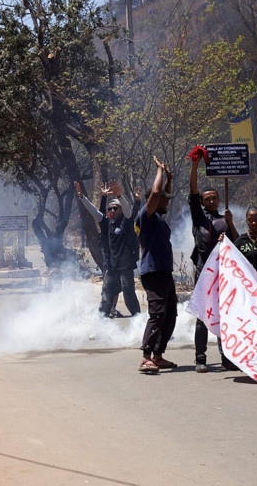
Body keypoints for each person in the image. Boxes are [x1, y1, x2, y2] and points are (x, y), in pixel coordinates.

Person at [189, 148, 239, 373]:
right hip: (204, 273)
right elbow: (192, 192)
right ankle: (200, 358)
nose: (210, 201)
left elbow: (237, 243)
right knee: (203, 316)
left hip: (224, 273)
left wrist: (231, 224)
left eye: (214, 198)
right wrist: (195, 165)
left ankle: (226, 357)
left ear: (219, 200)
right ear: (202, 202)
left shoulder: (224, 220)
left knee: (224, 314)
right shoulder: (199, 217)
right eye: (206, 199)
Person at [76, 180, 141, 318]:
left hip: (125, 266)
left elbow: (129, 211)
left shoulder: (126, 222)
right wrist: (82, 197)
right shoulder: (107, 223)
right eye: (110, 209)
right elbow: (95, 212)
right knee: (106, 294)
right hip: (111, 266)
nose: (111, 210)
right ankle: (103, 321)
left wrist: (119, 196)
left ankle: (138, 320)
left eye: (115, 208)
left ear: (121, 210)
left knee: (129, 294)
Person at [137, 158, 178, 373]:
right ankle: (146, 357)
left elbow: (162, 195)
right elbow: (155, 193)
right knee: (157, 314)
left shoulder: (159, 218)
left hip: (165, 273)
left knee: (169, 316)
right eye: (164, 199)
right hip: (153, 273)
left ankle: (158, 356)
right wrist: (160, 170)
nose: (167, 202)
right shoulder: (145, 216)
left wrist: (168, 180)